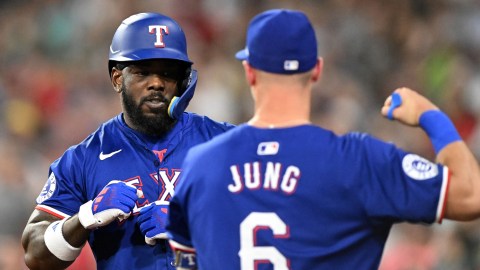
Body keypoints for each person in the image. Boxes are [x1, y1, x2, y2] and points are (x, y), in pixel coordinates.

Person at [166, 9, 480, 269]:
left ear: (249, 71)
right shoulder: (360, 160)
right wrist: (431, 117)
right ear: (316, 70)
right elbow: (470, 196)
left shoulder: (200, 164)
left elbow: (183, 261)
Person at [21, 12, 234, 270]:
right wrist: (84, 217)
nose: (156, 83)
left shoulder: (226, 142)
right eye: (143, 72)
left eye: (167, 73)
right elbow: (35, 254)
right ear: (117, 78)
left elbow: (279, 222)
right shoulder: (83, 158)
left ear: (183, 82)